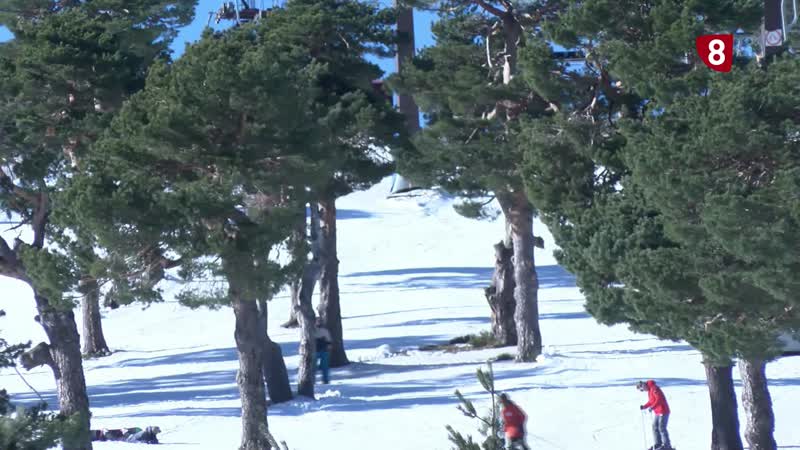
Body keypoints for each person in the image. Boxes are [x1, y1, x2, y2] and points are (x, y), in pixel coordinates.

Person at [638, 380, 672, 450]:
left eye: (642, 390)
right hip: (658, 412)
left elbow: (659, 399)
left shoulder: (654, 388)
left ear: (643, 385)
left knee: (662, 428)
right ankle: (658, 443)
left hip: (663, 411)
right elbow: (651, 401)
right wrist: (644, 406)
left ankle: (667, 446)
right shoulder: (650, 390)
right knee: (654, 427)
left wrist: (652, 407)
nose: (643, 391)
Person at [314, 318, 332, 384]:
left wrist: (328, 347)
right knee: (313, 367)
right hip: (315, 351)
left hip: (324, 351)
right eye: (317, 321)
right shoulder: (312, 330)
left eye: (319, 321)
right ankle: (312, 380)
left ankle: (325, 380)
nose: (318, 323)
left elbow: (329, 341)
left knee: (325, 367)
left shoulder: (325, 331)